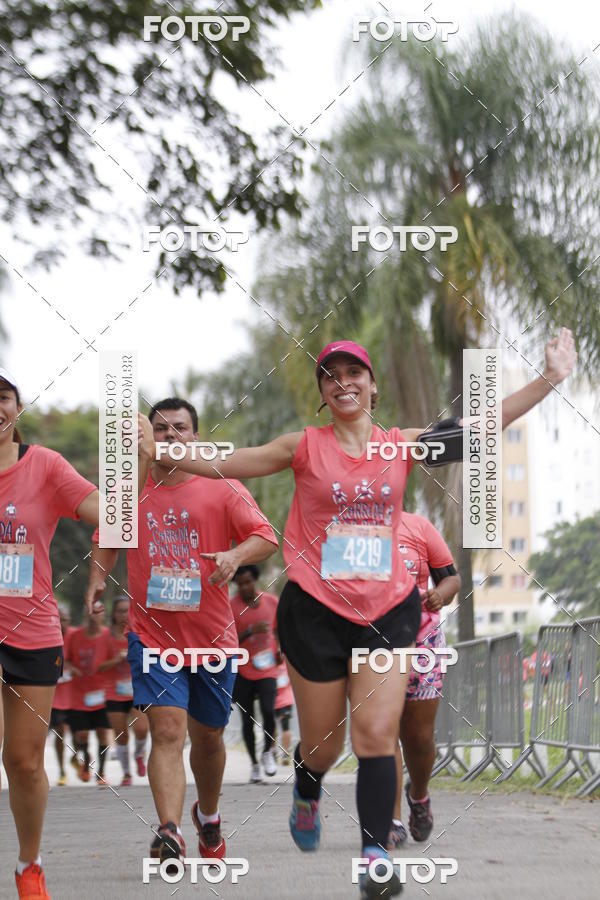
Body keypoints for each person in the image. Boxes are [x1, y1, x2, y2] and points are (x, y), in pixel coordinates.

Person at [139, 330, 576, 898]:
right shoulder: (302, 446)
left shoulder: (400, 446)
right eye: (331, 376)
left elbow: (477, 431)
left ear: (372, 387)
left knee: (374, 734)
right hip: (315, 611)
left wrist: (549, 378)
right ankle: (308, 784)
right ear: (323, 393)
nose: (343, 383)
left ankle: (375, 855)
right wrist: (160, 449)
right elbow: (227, 460)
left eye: (354, 374)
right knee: (324, 745)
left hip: (387, 611)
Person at [86, 397, 278, 870]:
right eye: (160, 428)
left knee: (209, 736)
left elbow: (266, 536)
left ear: (195, 436)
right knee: (167, 729)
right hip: (152, 635)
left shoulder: (221, 484)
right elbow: (108, 538)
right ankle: (169, 829)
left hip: (212, 638)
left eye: (180, 428)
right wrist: (96, 581)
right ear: (146, 436)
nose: (170, 436)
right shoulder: (130, 486)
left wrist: (234, 556)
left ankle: (207, 816)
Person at [0, 367, 100, 900]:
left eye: (2, 397)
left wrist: (135, 464)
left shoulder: (45, 466)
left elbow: (108, 514)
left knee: (23, 761)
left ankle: (29, 864)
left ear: (17, 408)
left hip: (32, 631)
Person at [388, 512, 460, 850]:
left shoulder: (418, 527)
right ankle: (390, 820)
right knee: (382, 732)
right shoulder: (348, 527)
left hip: (423, 640)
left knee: (418, 737)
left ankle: (418, 795)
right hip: (372, 641)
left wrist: (439, 595)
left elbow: (452, 580)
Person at [230, 565, 281, 782]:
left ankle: (268, 751)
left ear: (255, 580)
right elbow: (229, 641)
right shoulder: (231, 607)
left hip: (267, 667)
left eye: (248, 582)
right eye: (240, 583)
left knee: (269, 711)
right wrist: (250, 631)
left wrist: (280, 649)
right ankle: (254, 764)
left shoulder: (271, 602)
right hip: (243, 669)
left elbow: (279, 629)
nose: (244, 587)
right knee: (247, 719)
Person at [97, 595, 149, 786]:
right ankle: (127, 773)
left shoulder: (140, 633)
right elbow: (98, 667)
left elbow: (151, 659)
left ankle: (139, 754)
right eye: (120, 611)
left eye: (128, 610)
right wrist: (116, 660)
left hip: (137, 690)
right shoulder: (106, 637)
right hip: (114, 692)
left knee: (142, 729)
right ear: (113, 614)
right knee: (121, 736)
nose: (124, 614)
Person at [65, 607, 112, 786]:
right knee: (81, 735)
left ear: (103, 615)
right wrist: (72, 668)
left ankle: (101, 772)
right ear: (86, 614)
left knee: (102, 733)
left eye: (98, 612)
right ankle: (85, 758)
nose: (94, 616)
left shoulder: (108, 635)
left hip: (103, 692)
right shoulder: (75, 636)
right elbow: (66, 660)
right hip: (79, 694)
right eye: (91, 612)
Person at [48, 605, 75, 786]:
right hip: (56, 695)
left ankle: (77, 755)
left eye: (64, 619)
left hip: (76, 694)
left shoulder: (76, 636)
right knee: (60, 731)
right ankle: (62, 770)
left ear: (69, 620)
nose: (61, 623)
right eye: (58, 619)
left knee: (81, 734)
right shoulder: (47, 637)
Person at [274, 658, 295, 766]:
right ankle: (276, 752)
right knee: (278, 727)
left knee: (283, 726)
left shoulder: (286, 662)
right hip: (274, 699)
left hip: (282, 700)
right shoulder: (287, 661)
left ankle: (283, 753)